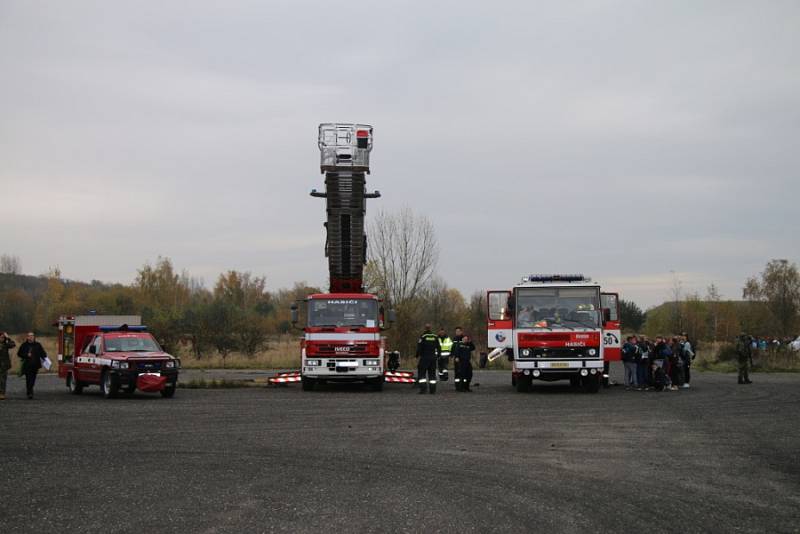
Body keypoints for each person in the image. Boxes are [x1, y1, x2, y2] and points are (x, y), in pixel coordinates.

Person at [17, 332, 47, 399]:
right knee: (28, 379)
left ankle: (30, 390)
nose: (31, 337)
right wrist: (26, 355)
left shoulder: (38, 345)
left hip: (35, 365)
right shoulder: (24, 345)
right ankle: (30, 392)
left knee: (33, 379)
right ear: (27, 337)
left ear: (34, 337)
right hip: (27, 365)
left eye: (32, 336)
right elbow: (19, 354)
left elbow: (43, 353)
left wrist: (45, 357)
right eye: (29, 336)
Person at [416, 324, 441, 394]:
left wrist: (417, 355)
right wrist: (438, 355)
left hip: (424, 358)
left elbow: (419, 347)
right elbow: (439, 347)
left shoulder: (423, 336)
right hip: (433, 358)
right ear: (430, 329)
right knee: (432, 375)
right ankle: (432, 390)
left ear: (425, 329)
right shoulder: (435, 336)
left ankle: (423, 390)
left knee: (422, 374)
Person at [0, 331, 17, 400]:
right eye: (1, 337)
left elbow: (13, 345)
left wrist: (8, 338)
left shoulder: (6, 344)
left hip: (4, 365)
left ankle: (2, 393)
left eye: (3, 337)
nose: (2, 338)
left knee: (2, 380)